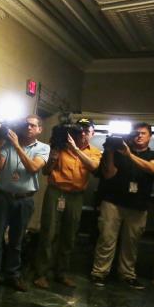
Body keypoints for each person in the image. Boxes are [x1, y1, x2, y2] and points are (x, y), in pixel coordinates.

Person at [0, 115, 50, 293]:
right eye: (26, 125)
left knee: (17, 239)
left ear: (39, 129)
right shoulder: (7, 144)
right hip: (2, 196)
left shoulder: (43, 148)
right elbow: (0, 166)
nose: (28, 127)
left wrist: (17, 146)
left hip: (24, 199)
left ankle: (13, 274)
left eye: (32, 125)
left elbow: (33, 168)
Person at [91, 122, 154, 289]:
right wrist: (110, 151)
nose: (139, 136)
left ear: (150, 136)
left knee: (131, 243)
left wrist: (129, 154)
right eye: (136, 133)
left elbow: (152, 169)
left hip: (138, 205)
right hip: (113, 202)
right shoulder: (118, 152)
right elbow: (108, 174)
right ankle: (99, 272)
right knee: (106, 239)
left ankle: (127, 274)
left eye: (143, 133)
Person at [34, 119, 101, 289]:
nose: (83, 134)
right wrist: (54, 155)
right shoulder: (60, 146)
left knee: (69, 235)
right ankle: (41, 273)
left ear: (93, 133)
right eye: (80, 130)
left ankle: (61, 272)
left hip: (76, 196)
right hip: (56, 192)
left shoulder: (94, 152)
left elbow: (94, 167)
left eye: (87, 131)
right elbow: (46, 171)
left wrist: (76, 149)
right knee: (49, 232)